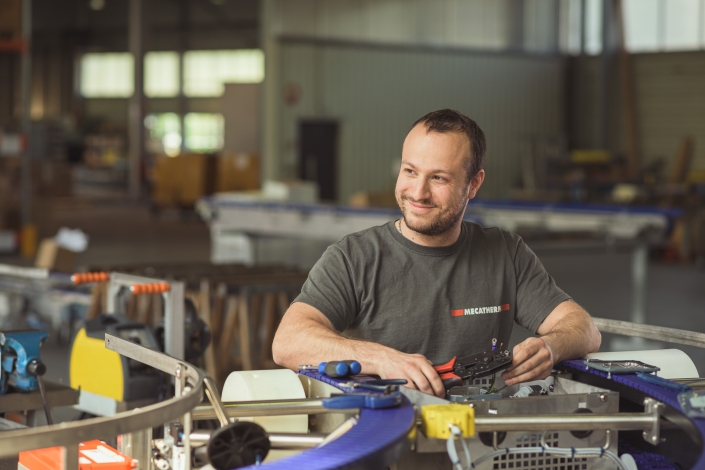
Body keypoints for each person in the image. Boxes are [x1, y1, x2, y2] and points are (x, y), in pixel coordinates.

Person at [272, 109, 601, 398]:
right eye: (410, 171)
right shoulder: (354, 257)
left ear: (473, 185)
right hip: (382, 433)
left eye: (439, 178)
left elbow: (584, 329)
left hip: (480, 436)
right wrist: (381, 358)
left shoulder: (505, 252)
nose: (418, 192)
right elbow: (288, 341)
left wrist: (551, 346)